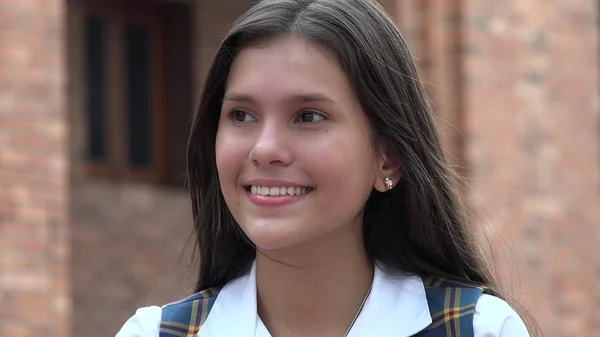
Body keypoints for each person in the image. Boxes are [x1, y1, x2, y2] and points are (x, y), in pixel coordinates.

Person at [116, 0, 538, 336]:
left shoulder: (478, 329)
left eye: (308, 116)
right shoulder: (153, 333)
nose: (265, 149)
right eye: (242, 116)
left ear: (387, 156)